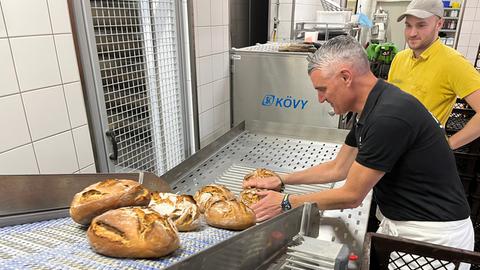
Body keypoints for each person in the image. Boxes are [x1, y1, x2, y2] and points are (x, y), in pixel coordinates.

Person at [244, 35, 474, 267]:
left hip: (432, 237)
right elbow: (338, 168)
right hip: (406, 225)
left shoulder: (389, 116)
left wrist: (285, 202)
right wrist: (281, 178)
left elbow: (351, 196)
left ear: (345, 77)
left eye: (322, 89)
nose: (320, 99)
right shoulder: (372, 105)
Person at [388, 0, 480, 150]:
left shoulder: (453, 62)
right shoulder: (400, 58)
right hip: (392, 146)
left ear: (439, 24)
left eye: (421, 25)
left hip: (421, 154)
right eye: (408, 25)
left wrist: (446, 146)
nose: (412, 33)